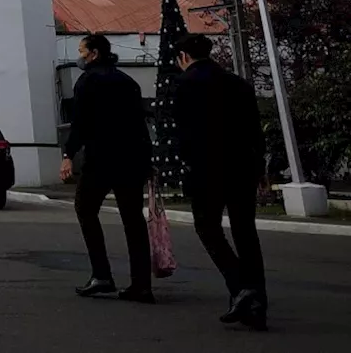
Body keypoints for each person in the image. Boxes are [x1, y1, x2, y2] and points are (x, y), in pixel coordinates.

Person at [174, 33, 268, 330]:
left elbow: (185, 131)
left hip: (208, 167)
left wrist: (186, 161)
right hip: (243, 165)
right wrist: (260, 164)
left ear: (184, 57)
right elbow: (255, 128)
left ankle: (240, 286)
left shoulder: (186, 83)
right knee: (245, 232)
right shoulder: (237, 83)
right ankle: (256, 305)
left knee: (207, 226)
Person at [61, 34, 155, 302]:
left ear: (94, 53)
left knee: (85, 209)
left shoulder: (87, 81)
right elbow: (140, 123)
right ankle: (142, 284)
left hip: (101, 159)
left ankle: (102, 274)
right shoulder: (128, 82)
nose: (78, 56)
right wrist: (147, 160)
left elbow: (80, 122)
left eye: (81, 50)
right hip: (132, 159)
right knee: (133, 220)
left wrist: (68, 154)